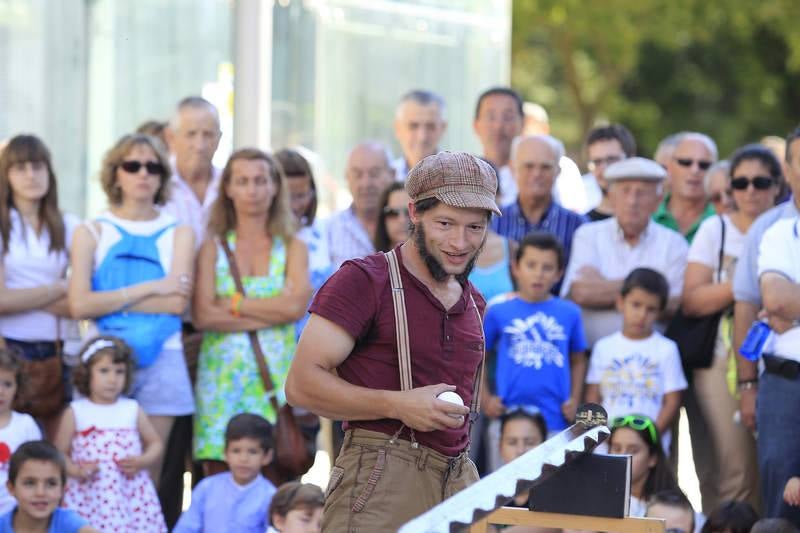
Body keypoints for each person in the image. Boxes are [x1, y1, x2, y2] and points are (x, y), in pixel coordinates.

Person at [286, 151, 500, 531]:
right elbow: (300, 386)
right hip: (380, 480)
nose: (460, 241)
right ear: (413, 213)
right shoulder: (364, 280)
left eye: (475, 227)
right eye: (445, 223)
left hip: (458, 483)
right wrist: (397, 404)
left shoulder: (474, 302)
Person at [68, 133, 195, 485]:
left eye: (153, 167)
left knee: (147, 474)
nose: (143, 173)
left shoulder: (181, 233)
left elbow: (176, 302)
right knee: (92, 467)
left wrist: (107, 298)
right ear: (115, 173)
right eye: (133, 165)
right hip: (101, 359)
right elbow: (79, 304)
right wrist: (152, 286)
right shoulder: (90, 231)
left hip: (163, 358)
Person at [192, 148, 311, 474]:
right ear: (228, 189)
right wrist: (273, 311)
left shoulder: (293, 246)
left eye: (260, 180)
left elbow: (295, 308)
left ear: (274, 186)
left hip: (275, 381)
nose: (252, 190)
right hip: (221, 383)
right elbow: (203, 315)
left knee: (278, 480)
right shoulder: (212, 247)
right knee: (219, 479)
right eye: (242, 181)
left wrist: (233, 304)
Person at [682, 144, 780, 511]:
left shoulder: (787, 227)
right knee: (734, 465)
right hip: (723, 361)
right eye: (740, 183)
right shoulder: (716, 229)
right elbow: (692, 300)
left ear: (778, 185)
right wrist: (750, 286)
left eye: (760, 182)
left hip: (783, 356)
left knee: (778, 463)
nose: (750, 190)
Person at [0, 135, 80, 436]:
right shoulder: (4, 225)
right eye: (20, 168)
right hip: (9, 347)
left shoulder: (68, 225)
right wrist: (57, 288)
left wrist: (21, 297)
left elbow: (81, 302)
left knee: (51, 446)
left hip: (56, 351)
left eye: (37, 166)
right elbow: (1, 301)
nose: (31, 176)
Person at [562, 157, 688, 347]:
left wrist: (604, 285)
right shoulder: (588, 235)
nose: (632, 201)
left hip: (652, 357)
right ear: (612, 197)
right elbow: (581, 293)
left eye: (642, 193)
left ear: (658, 201)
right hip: (591, 356)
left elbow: (674, 305)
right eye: (625, 191)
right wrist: (651, 291)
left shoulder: (674, 244)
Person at [55, 336, 166, 532]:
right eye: (104, 371)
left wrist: (141, 461)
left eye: (119, 371)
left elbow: (155, 443)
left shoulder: (132, 409)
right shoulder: (76, 411)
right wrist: (76, 471)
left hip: (129, 493)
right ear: (87, 373)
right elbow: (59, 452)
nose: (112, 379)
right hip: (88, 494)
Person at [483, 232, 587, 433]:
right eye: (531, 265)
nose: (539, 274)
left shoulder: (570, 313)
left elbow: (578, 360)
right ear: (515, 267)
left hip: (555, 419)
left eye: (547, 268)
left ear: (559, 273)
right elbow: (480, 358)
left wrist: (574, 399)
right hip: (508, 418)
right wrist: (485, 399)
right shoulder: (498, 311)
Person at [733, 127, 800, 435]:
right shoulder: (768, 229)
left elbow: (783, 303)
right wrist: (747, 384)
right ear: (787, 170)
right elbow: (751, 305)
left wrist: (791, 312)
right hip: (782, 378)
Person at [585, 269, 687, 450]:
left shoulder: (667, 349)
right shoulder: (603, 347)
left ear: (660, 312)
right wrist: (605, 439)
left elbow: (672, 401)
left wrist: (650, 439)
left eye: (651, 309)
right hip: (607, 447)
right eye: (636, 305)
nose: (642, 315)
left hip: (648, 449)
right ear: (620, 303)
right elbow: (593, 397)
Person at [491, 134, 587, 295]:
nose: (536, 174)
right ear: (513, 169)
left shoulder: (578, 226)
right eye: (529, 166)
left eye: (545, 167)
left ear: (558, 171)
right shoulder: (494, 222)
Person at [754, 214, 800, 525]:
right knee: (782, 506)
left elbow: (784, 303)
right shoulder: (782, 232)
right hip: (786, 379)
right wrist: (783, 304)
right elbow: (777, 300)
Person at [174, 413, 277, 533]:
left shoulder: (270, 496)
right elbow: (187, 527)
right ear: (225, 453)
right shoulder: (207, 488)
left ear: (267, 456)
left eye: (252, 452)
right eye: (236, 451)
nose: (243, 459)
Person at [274, 148, 333, 337]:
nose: (294, 205)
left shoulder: (324, 230)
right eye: (287, 197)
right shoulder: (261, 238)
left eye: (301, 196)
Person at [0, 440, 100, 533]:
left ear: (63, 489)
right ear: (11, 488)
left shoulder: (68, 523)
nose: (40, 493)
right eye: (30, 483)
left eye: (51, 483)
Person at [162, 96, 223, 245]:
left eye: (208, 134)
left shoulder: (230, 185)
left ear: (219, 139)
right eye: (191, 134)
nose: (199, 145)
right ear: (170, 138)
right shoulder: (155, 185)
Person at [325, 141, 394, 268]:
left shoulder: (409, 225)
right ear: (347, 178)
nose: (365, 184)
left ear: (392, 174)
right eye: (357, 174)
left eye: (374, 173)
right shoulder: (329, 230)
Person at [607, 414, 679, 517]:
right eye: (617, 449)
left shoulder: (675, 508)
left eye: (633, 451)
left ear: (653, 458)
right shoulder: (596, 500)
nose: (623, 456)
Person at [655, 132, 718, 243]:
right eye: (685, 162)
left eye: (704, 165)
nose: (695, 170)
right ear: (669, 167)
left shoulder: (723, 218)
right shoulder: (647, 215)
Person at [0, 350, 42, 514]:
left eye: (8, 384)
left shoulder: (25, 424)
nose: (1, 391)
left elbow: (38, 466)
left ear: (18, 387)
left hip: (16, 511)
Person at [473, 87, 524, 207]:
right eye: (491, 117)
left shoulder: (538, 175)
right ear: (476, 125)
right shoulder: (464, 176)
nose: (498, 126)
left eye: (508, 117)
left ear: (522, 123)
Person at [584, 124, 637, 222]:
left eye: (612, 159)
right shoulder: (583, 224)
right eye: (597, 162)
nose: (604, 168)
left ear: (631, 160)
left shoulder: (651, 221)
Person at [392, 90, 448, 180]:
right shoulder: (383, 180)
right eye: (413, 126)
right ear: (398, 128)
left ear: (443, 128)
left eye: (430, 126)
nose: (422, 137)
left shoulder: (457, 178)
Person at [498, 408, 547, 508]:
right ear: (500, 447)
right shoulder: (485, 495)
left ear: (545, 447)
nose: (520, 451)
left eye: (529, 442)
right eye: (512, 442)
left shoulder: (558, 494)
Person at [373, 182, 411, 252]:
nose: (402, 220)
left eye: (408, 212)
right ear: (383, 219)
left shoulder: (433, 258)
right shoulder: (368, 259)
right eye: (392, 213)